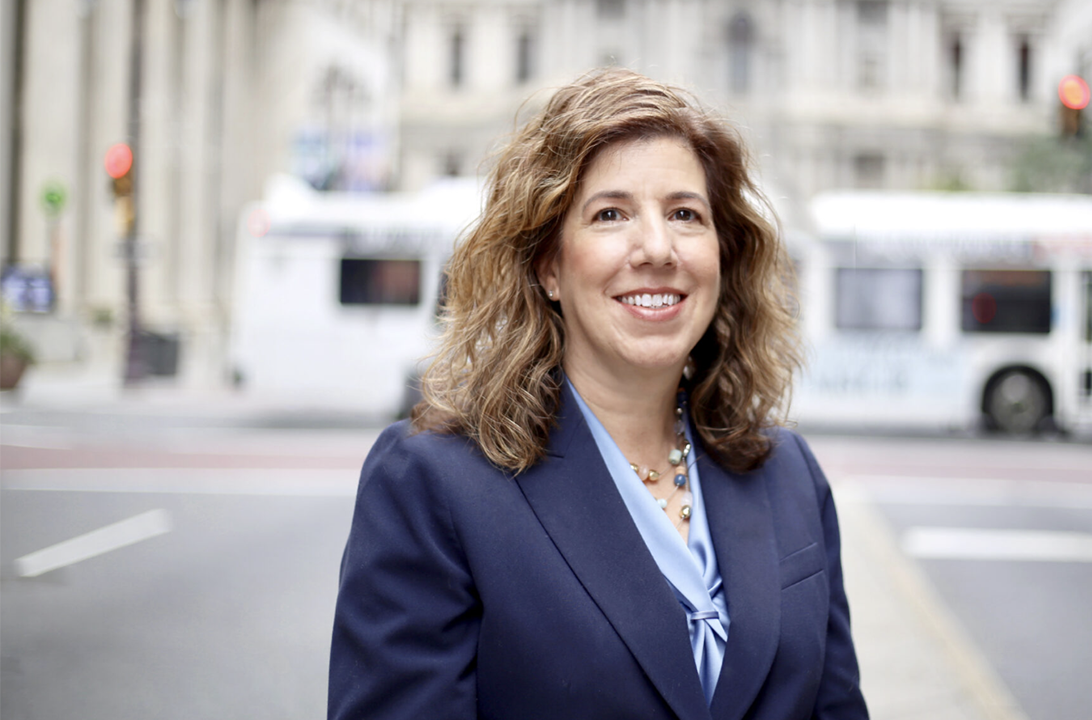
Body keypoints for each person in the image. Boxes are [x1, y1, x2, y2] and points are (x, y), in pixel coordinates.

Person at [328, 68, 870, 720]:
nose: (658, 247)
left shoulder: (789, 477)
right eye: (611, 214)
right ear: (549, 266)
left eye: (685, 214)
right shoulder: (434, 482)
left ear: (722, 255)